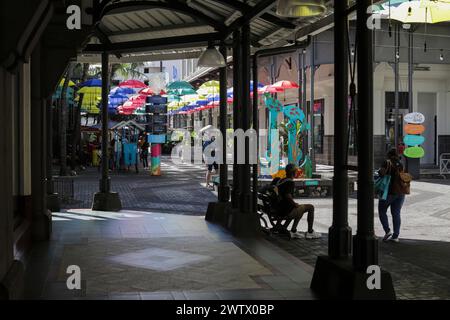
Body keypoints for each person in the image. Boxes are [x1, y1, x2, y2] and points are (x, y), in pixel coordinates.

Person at [271, 164, 321, 239]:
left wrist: (294, 205)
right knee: (310, 207)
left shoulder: (281, 180)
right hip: (285, 211)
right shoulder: (290, 182)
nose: (297, 172)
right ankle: (310, 232)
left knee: (299, 207)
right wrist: (294, 204)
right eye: (296, 171)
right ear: (293, 172)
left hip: (279, 208)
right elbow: (287, 195)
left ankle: (293, 230)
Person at [378, 148, 407, 242]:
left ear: (389, 155)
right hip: (401, 192)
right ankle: (395, 236)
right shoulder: (401, 163)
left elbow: (381, 173)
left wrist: (379, 172)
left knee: (382, 210)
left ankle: (387, 231)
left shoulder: (387, 162)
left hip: (389, 192)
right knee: (396, 213)